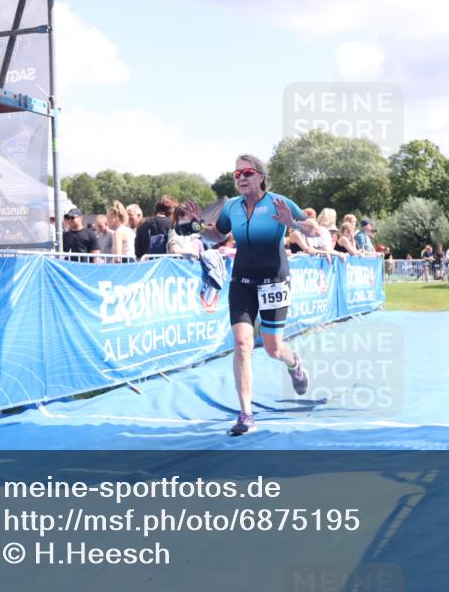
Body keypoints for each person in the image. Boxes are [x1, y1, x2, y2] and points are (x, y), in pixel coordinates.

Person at [198, 154, 325, 436]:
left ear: (260, 176)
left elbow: (315, 230)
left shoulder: (278, 202)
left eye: (246, 172)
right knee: (242, 344)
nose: (241, 178)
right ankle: (246, 414)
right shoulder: (232, 207)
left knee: (272, 348)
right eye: (236, 174)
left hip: (274, 281)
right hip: (242, 280)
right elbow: (217, 236)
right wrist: (194, 227)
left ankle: (295, 363)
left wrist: (291, 222)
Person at [136, 194, 176, 259]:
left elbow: (138, 251)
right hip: (166, 264)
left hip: (146, 264)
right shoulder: (173, 225)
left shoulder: (143, 224)